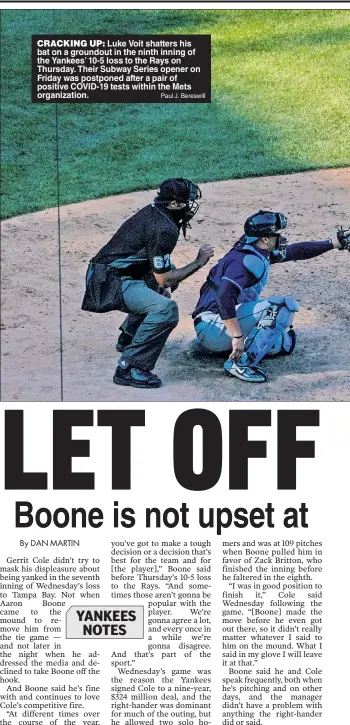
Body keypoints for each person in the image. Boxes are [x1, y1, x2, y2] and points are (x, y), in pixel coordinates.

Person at [82, 178, 214, 388]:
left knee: (164, 282)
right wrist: (199, 262)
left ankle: (129, 337)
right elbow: (164, 278)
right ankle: (131, 367)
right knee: (166, 310)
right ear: (173, 204)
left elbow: (159, 268)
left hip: (111, 272)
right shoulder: (163, 228)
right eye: (186, 201)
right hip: (109, 282)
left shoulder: (157, 213)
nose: (190, 206)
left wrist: (165, 281)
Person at [191, 210, 350, 383]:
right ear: (265, 239)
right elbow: (224, 297)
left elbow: (296, 251)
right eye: (277, 234)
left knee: (285, 342)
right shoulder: (245, 262)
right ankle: (240, 364)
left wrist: (334, 243)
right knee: (282, 308)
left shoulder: (254, 249)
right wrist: (237, 336)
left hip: (217, 324)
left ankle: (219, 348)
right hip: (212, 325)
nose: (281, 238)